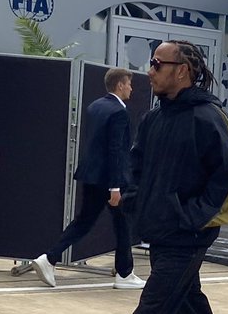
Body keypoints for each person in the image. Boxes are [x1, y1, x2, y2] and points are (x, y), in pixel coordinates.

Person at [64, 40, 228, 314]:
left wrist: (193, 216)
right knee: (188, 309)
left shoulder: (208, 117)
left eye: (155, 64)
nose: (148, 71)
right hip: (160, 231)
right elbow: (136, 165)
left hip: (189, 236)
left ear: (181, 69)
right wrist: (134, 202)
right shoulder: (154, 119)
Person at [31, 68, 145, 290]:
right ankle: (124, 274)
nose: (131, 88)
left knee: (85, 222)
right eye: (129, 84)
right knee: (122, 224)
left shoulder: (96, 107)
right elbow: (115, 151)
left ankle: (49, 258)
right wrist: (115, 186)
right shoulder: (119, 112)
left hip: (91, 176)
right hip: (109, 180)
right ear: (120, 85)